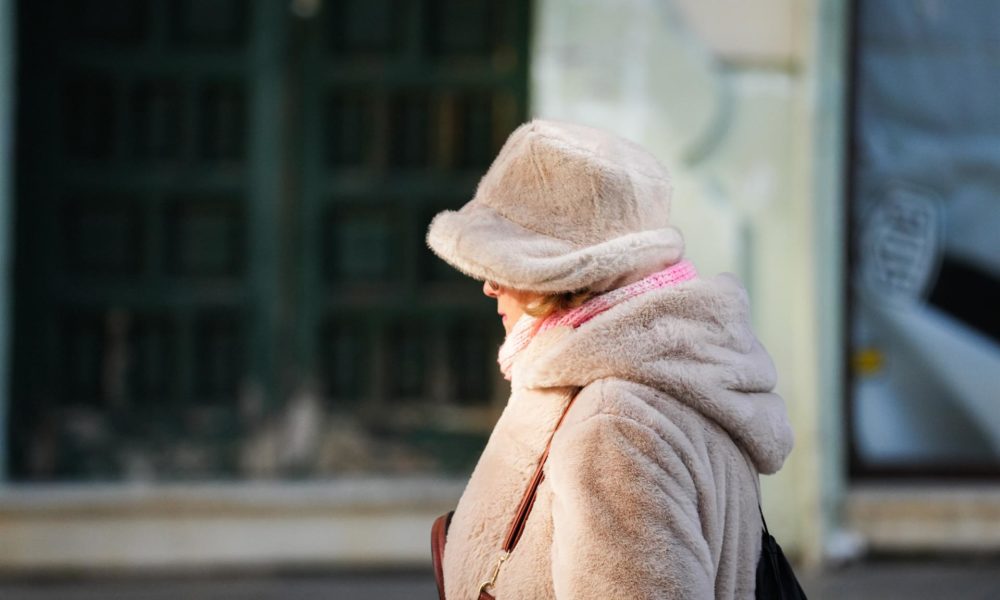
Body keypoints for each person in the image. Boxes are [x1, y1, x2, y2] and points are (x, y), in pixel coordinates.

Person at [426, 119, 794, 599]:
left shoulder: (614, 426)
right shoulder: (671, 374)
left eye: (504, 264)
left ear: (570, 276)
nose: (489, 285)